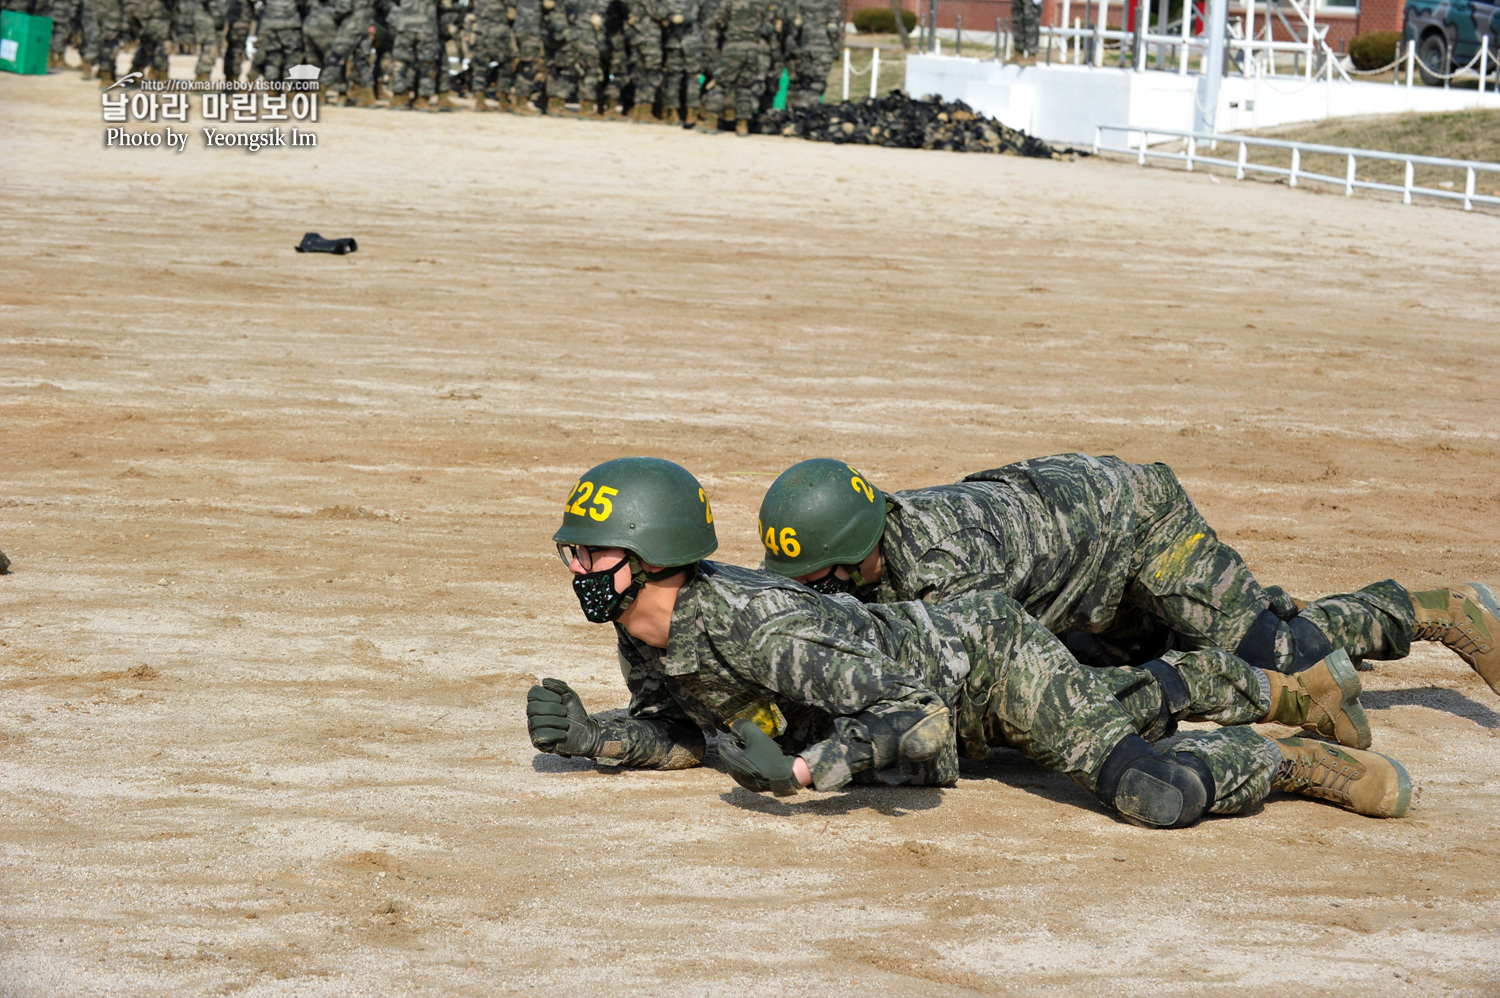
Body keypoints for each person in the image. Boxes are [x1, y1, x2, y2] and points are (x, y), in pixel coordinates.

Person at [526, 457, 1412, 829]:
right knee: (1117, 700)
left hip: (985, 660)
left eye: (592, 553)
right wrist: (598, 738)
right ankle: (1262, 693)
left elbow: (906, 709)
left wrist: (804, 773)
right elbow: (681, 727)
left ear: (654, 554)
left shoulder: (764, 625)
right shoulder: (646, 632)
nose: (578, 567)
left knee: (1153, 792)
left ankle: (1285, 753)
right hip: (955, 701)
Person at [754, 455, 1500, 696]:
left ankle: (1431, 608)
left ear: (861, 552)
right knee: (1172, 663)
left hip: (1138, 524)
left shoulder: (948, 568)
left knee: (1282, 656)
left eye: (826, 577)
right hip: (1076, 588)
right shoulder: (867, 544)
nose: (821, 592)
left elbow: (975, 678)